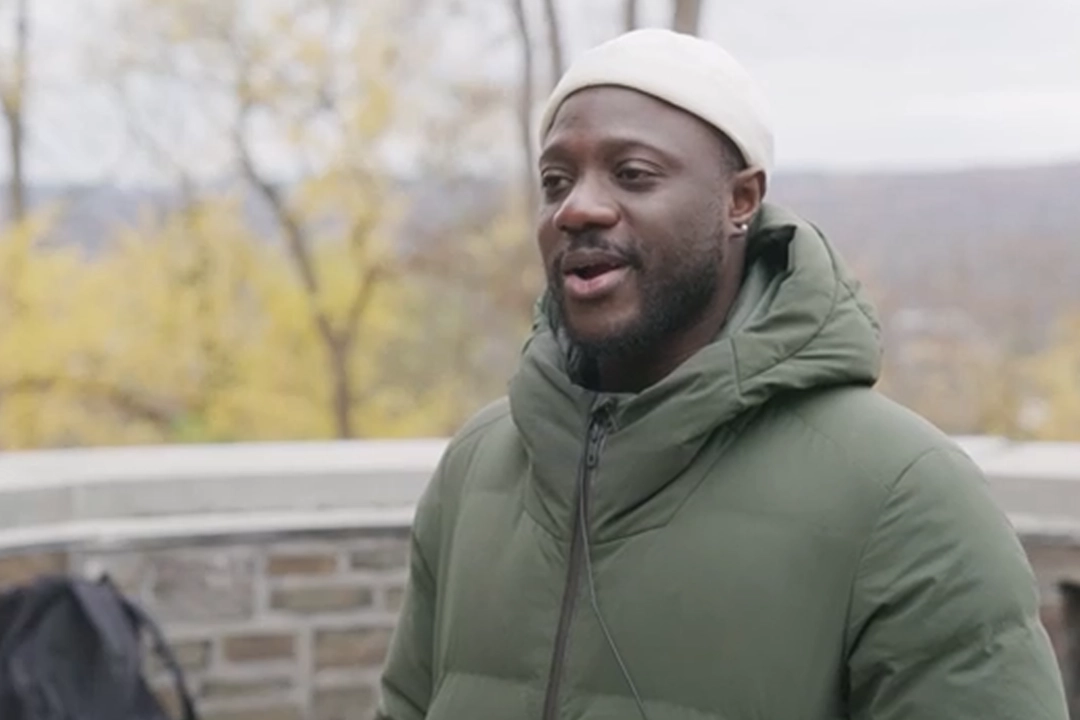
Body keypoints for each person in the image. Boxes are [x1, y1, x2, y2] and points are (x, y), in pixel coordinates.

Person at [375, 28, 1069, 720]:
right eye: (556, 180)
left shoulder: (905, 495)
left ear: (740, 201)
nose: (577, 207)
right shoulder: (477, 468)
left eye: (633, 173)